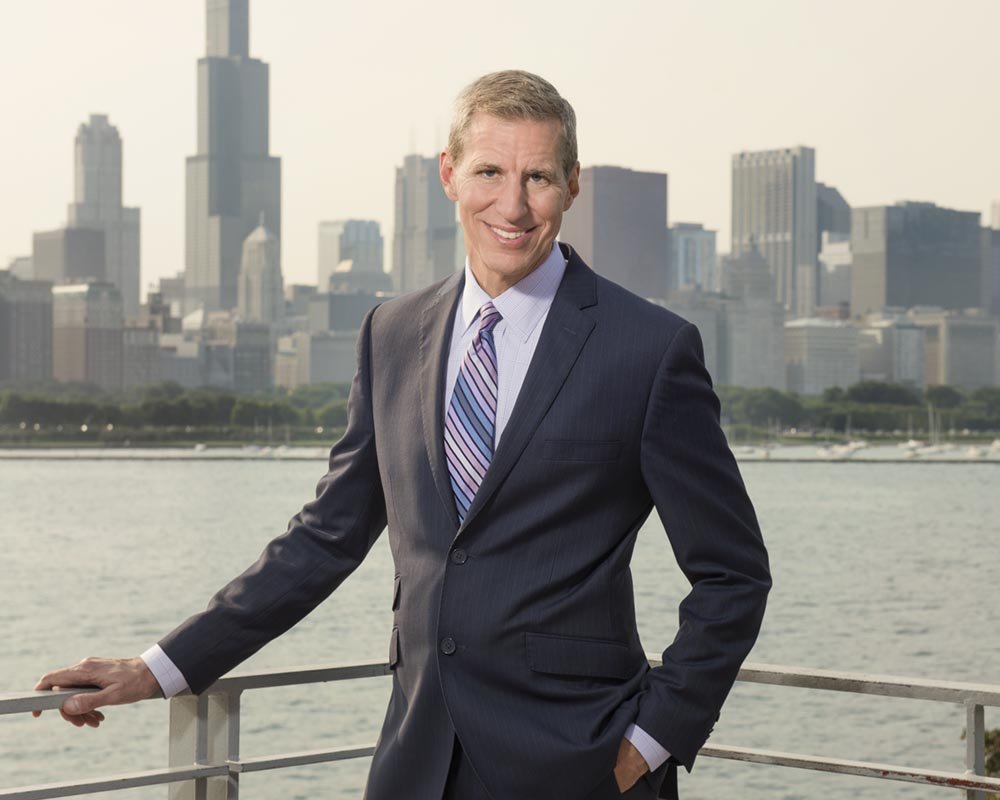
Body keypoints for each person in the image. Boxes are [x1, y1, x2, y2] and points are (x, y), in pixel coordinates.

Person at [34, 70, 771, 800]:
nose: (512, 205)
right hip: (417, 760)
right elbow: (324, 539)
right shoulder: (391, 332)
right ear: (448, 175)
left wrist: (648, 742)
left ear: (572, 185)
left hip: (581, 765)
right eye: (489, 171)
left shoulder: (648, 350)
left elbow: (733, 575)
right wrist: (158, 668)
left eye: (538, 177)